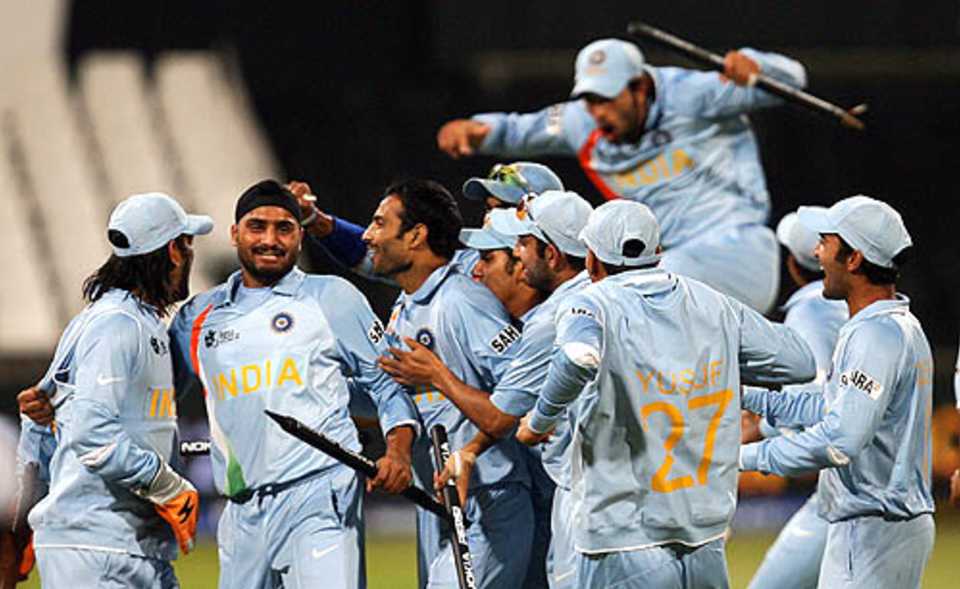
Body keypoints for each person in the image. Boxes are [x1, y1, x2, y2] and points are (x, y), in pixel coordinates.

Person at [516, 199, 816, 588]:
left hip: (624, 530)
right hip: (704, 531)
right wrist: (716, 371)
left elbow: (578, 357)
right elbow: (799, 362)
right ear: (658, 252)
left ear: (591, 260)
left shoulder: (590, 302)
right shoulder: (711, 302)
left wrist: (539, 421)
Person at [168, 180, 418, 589]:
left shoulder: (333, 297)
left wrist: (399, 451)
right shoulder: (197, 316)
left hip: (320, 496)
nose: (270, 239)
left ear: (300, 234)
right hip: (241, 510)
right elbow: (158, 399)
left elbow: (388, 384)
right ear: (235, 234)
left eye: (284, 228)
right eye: (257, 226)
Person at [437, 38, 808, 313]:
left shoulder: (693, 95)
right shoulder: (582, 120)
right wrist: (477, 129)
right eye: (591, 99)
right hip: (665, 256)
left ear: (640, 88)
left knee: (639, 296)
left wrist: (756, 66)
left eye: (607, 98)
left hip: (737, 246)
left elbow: (793, 82)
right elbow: (521, 130)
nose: (597, 111)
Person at [381, 190, 594, 588]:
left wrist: (437, 375)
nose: (475, 271)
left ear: (547, 255)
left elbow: (501, 415)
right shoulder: (583, 304)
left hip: (559, 496)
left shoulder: (551, 318)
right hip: (549, 492)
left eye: (516, 247)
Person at [15, 192, 212, 587]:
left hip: (126, 544)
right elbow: (91, 435)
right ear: (173, 250)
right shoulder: (116, 325)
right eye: (188, 243)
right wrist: (168, 485)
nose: (190, 254)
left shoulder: (126, 320)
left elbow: (40, 416)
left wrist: (26, 516)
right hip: (99, 547)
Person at [739, 195, 934, 589]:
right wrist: (747, 396)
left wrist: (740, 457)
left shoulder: (875, 335)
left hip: (874, 528)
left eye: (826, 242)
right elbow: (829, 406)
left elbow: (840, 439)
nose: (816, 253)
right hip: (880, 526)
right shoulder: (887, 325)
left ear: (855, 259)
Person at [359, 178, 531, 588]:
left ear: (416, 235)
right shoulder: (407, 305)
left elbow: (519, 403)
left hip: (491, 498)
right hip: (438, 498)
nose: (368, 235)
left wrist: (438, 374)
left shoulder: (462, 302)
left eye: (380, 224)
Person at [745, 208, 848, 589]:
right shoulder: (866, 310)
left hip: (848, 499)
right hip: (865, 493)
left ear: (793, 262)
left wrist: (760, 428)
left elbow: (813, 413)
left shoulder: (812, 314)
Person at [294, 161, 564, 279]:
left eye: (504, 208)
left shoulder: (576, 293)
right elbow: (374, 256)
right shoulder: (470, 267)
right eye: (488, 208)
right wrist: (314, 220)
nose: (491, 217)